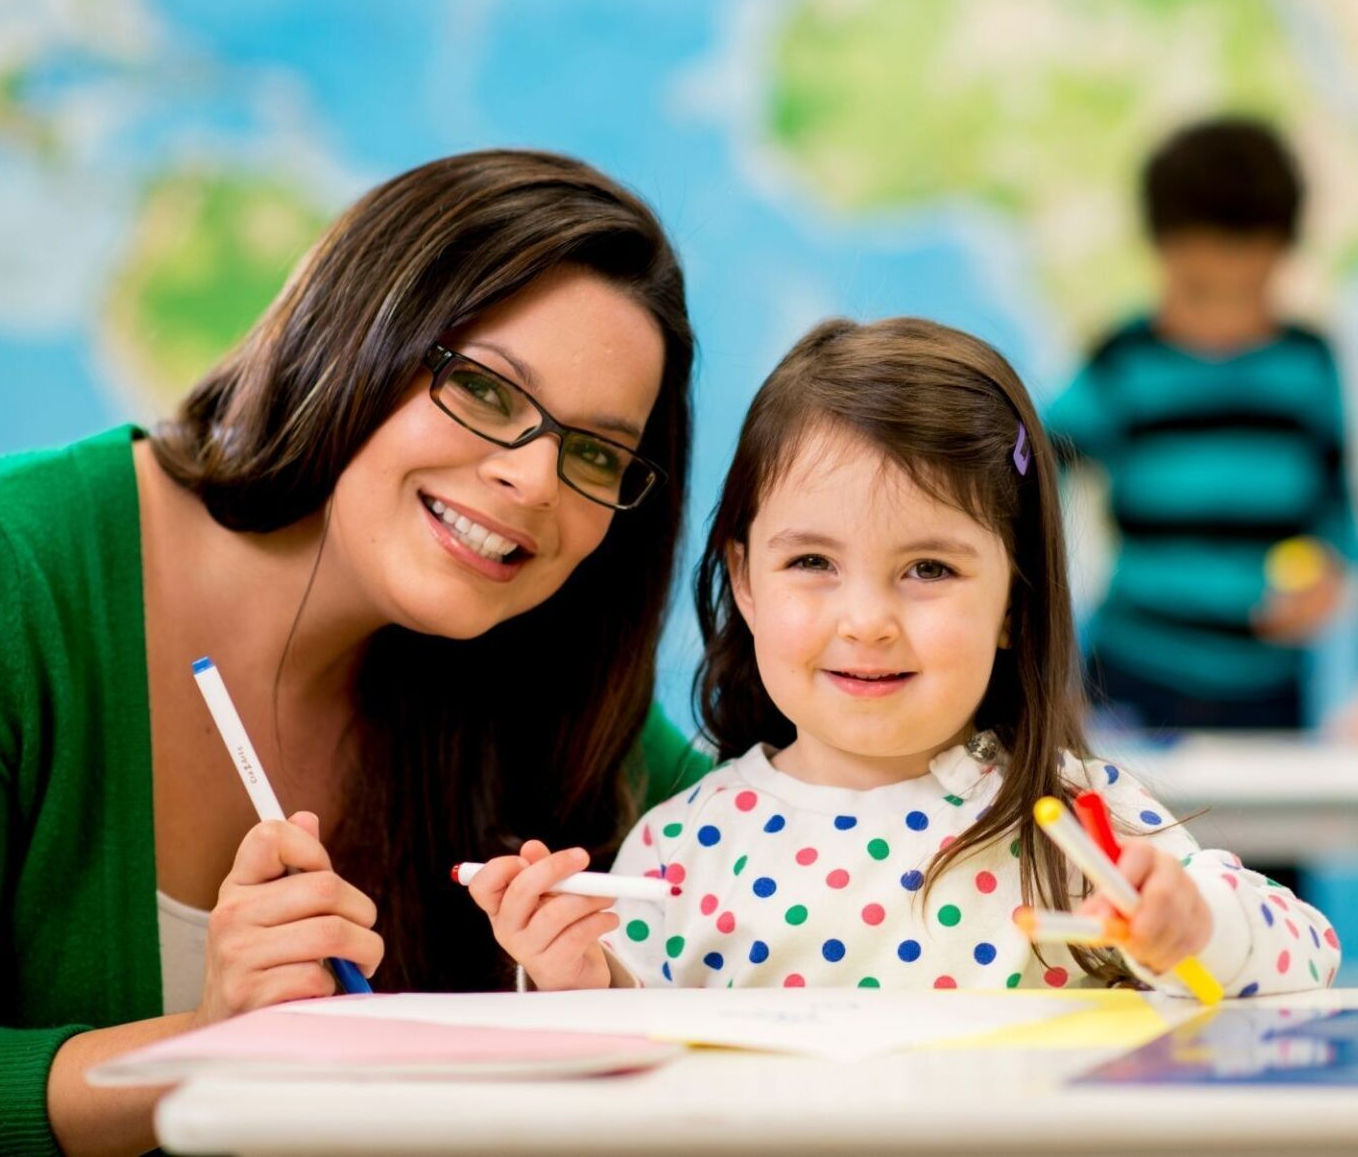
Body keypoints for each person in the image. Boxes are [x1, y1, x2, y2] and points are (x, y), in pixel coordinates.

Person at [0, 149, 712, 1156]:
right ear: (354, 332)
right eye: (486, 389)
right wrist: (206, 1044)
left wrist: (609, 994)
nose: (533, 480)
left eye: (595, 453)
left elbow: (792, 858)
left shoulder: (535, 674)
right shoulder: (19, 575)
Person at [467, 316, 1341, 996]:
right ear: (744, 579)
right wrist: (577, 974)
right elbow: (634, 1059)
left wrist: (1194, 926)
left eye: (928, 568)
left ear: (1012, 601)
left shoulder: (1077, 821)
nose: (868, 620)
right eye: (812, 563)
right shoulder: (679, 844)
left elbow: (1309, 953)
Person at [1046, 116, 1357, 731]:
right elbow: (1030, 462)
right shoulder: (1126, 363)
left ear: (1282, 257)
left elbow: (1333, 509)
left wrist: (1328, 572)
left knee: (1260, 829)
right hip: (1133, 673)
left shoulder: (1306, 366)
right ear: (1161, 253)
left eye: (1248, 291)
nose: (1223, 321)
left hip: (1266, 690)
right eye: (1199, 290)